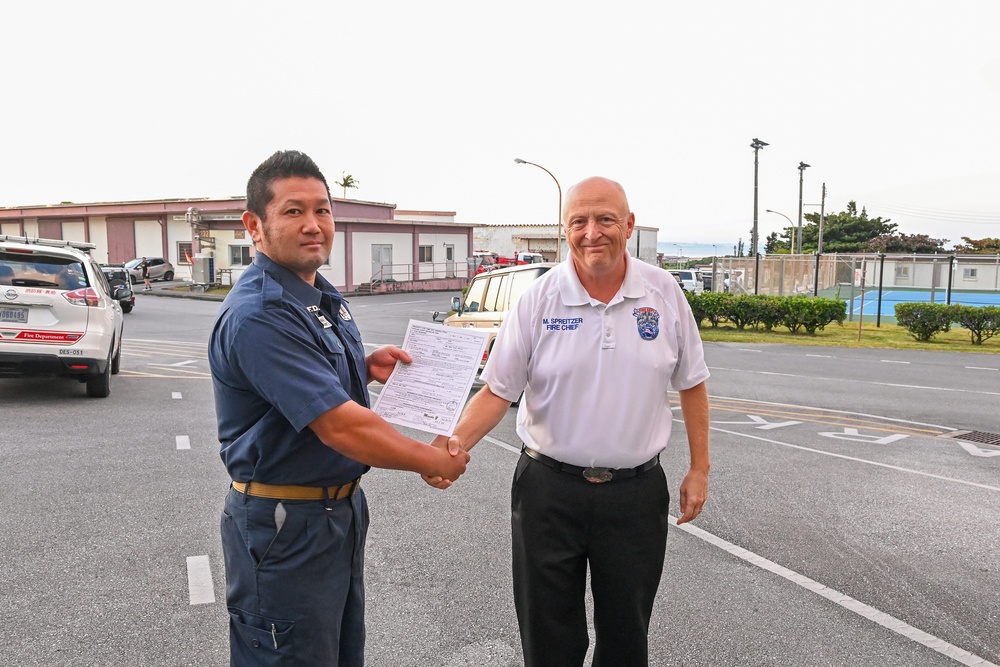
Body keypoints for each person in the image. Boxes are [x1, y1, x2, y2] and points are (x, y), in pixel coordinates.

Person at [428, 176, 711, 667]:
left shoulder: (663, 293)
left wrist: (700, 469)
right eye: (578, 221)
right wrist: (452, 445)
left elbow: (692, 382)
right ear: (566, 230)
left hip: (635, 496)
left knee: (626, 636)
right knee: (548, 635)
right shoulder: (539, 299)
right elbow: (498, 389)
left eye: (604, 219)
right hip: (548, 492)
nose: (591, 232)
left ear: (629, 224)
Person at [209, 150, 469, 666]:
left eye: (322, 210)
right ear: (254, 226)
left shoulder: (319, 295)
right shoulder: (261, 312)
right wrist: (430, 460)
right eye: (292, 211)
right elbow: (341, 426)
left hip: (335, 515)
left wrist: (364, 364)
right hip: (286, 524)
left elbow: (314, 383)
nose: (313, 225)